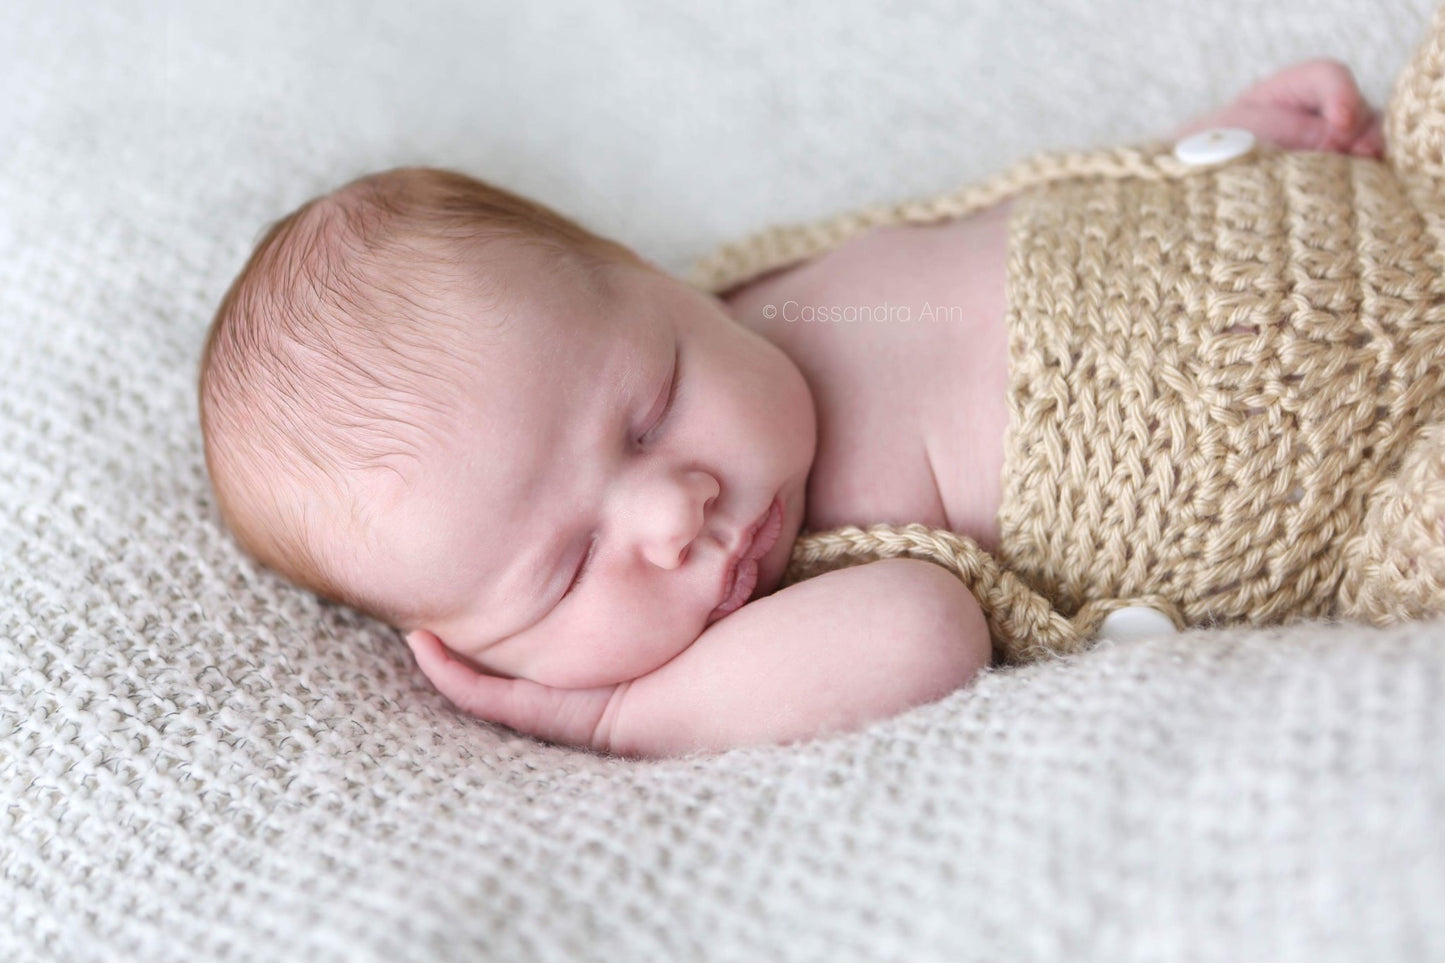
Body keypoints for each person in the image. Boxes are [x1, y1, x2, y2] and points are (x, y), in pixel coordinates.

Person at [201, 36, 1443, 757]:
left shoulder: (760, 293)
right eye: (569, 568)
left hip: (1368, 205)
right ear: (485, 654)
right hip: (1371, 482)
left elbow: (984, 214)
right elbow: (923, 635)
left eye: (648, 409)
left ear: (650, 281)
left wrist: (1197, 151)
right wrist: (623, 714)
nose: (670, 512)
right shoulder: (774, 612)